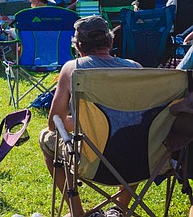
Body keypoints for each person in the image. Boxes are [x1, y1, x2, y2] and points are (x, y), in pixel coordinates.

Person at [40, 16, 141, 217]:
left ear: (78, 46)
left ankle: (77, 212)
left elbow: (54, 123)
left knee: (45, 136)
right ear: (111, 41)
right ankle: (119, 209)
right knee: (137, 138)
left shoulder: (72, 68)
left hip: (91, 160)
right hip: (139, 160)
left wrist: (84, 122)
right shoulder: (135, 68)